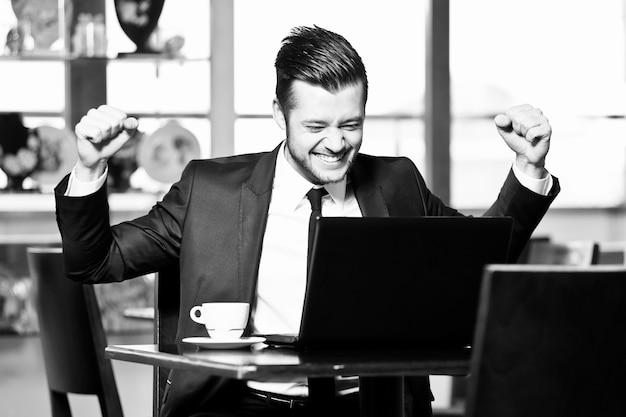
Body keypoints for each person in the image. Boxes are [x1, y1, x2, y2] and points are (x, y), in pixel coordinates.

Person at [55, 25, 559, 417]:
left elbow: (480, 264)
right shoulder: (210, 191)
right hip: (240, 408)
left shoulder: (397, 182)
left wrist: (528, 170)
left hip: (369, 406)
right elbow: (96, 260)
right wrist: (90, 167)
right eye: (316, 126)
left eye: (351, 124)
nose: (337, 143)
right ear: (279, 113)